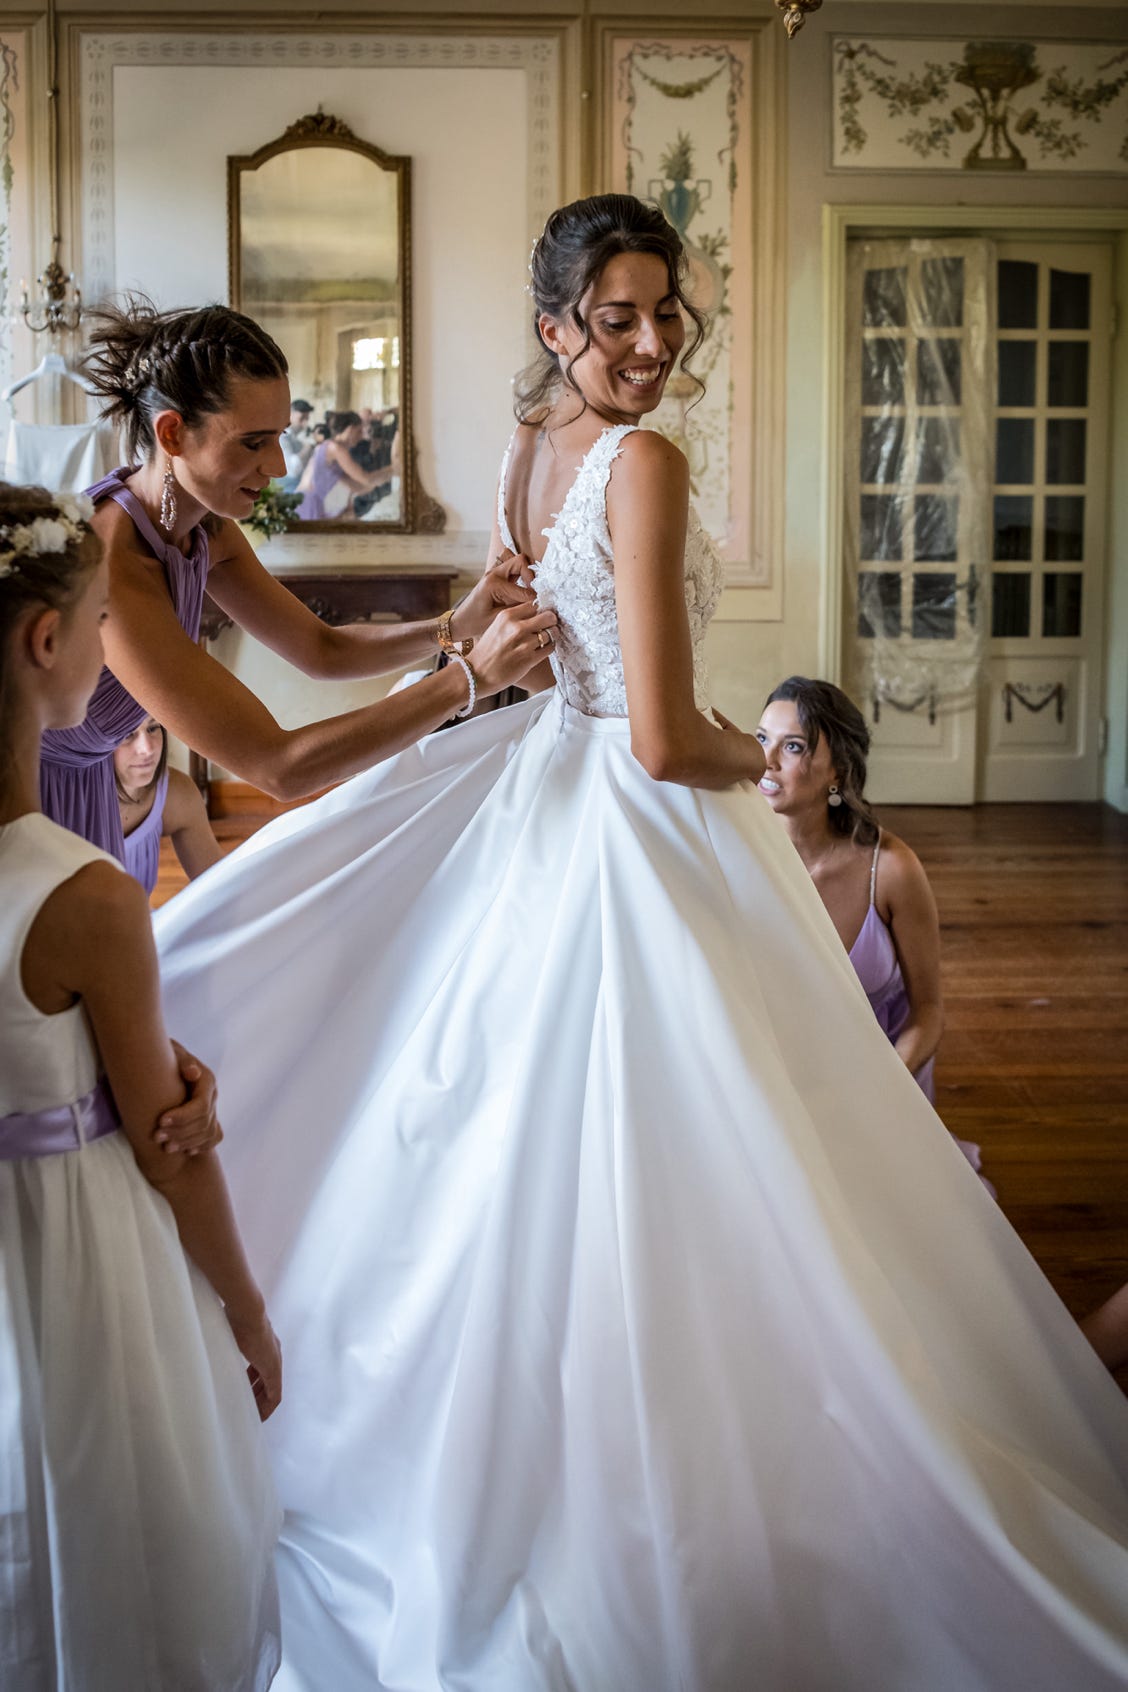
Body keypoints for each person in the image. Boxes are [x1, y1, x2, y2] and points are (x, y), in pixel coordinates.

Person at [154, 197, 1128, 1690]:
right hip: (641, 819)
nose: (655, 341)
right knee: (719, 1142)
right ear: (559, 329)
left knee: (537, 1138)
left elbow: (541, 650)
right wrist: (777, 765)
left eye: (669, 313)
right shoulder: (648, 457)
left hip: (548, 795)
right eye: (619, 318)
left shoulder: (527, 451)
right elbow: (669, 740)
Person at [0, 482, 281, 1688]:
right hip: (68, 1267)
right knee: (122, 1541)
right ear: (48, 643)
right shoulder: (84, 900)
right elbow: (175, 1146)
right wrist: (247, 1313)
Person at [40, 297, 555, 864]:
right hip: (30, 798)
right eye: (253, 441)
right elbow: (279, 767)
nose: (280, 466)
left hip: (90, 787)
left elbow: (322, 648)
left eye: (281, 436)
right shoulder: (114, 568)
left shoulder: (204, 527)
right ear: (172, 434)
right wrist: (471, 675)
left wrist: (458, 623)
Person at [756, 675, 994, 1192]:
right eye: (761, 739)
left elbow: (929, 1010)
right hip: (781, 1076)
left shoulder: (890, 869)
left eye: (792, 746)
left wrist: (882, 1085)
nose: (767, 761)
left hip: (881, 1079)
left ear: (837, 772)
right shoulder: (739, 855)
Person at [115, 715, 222, 896]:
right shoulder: (66, 803)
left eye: (152, 728)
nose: (147, 749)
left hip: (142, 923)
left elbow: (219, 884)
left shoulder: (175, 792)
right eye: (127, 734)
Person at [295, 408, 391, 520]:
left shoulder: (329, 449)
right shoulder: (335, 448)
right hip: (309, 506)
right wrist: (393, 469)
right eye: (359, 431)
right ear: (350, 430)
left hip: (313, 505)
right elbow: (366, 479)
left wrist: (384, 478)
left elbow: (356, 487)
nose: (361, 437)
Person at [277, 396, 314, 491]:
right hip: (283, 492)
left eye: (307, 419)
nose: (305, 424)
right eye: (301, 419)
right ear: (289, 415)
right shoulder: (281, 437)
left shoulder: (295, 440)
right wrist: (308, 447)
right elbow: (292, 471)